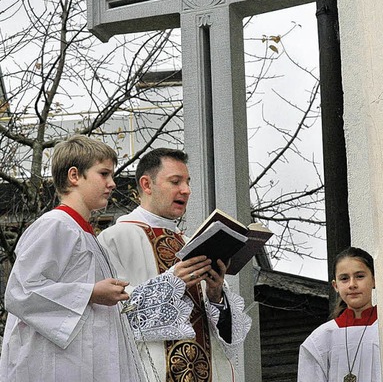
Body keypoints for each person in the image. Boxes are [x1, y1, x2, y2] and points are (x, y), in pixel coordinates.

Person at [98, 148, 251, 382]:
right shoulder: (115, 239)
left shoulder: (192, 243)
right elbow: (113, 316)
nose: (186, 190)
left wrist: (216, 294)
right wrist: (170, 283)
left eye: (188, 182)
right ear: (147, 184)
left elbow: (226, 337)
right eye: (175, 181)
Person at [0, 135, 146, 381]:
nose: (112, 184)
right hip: (60, 368)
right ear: (74, 176)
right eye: (104, 174)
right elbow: (20, 292)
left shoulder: (85, 233)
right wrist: (90, 292)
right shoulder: (55, 226)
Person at [297, 247, 381, 382]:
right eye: (344, 278)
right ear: (335, 286)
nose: (352, 284)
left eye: (360, 276)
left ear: (374, 280)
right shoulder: (320, 339)